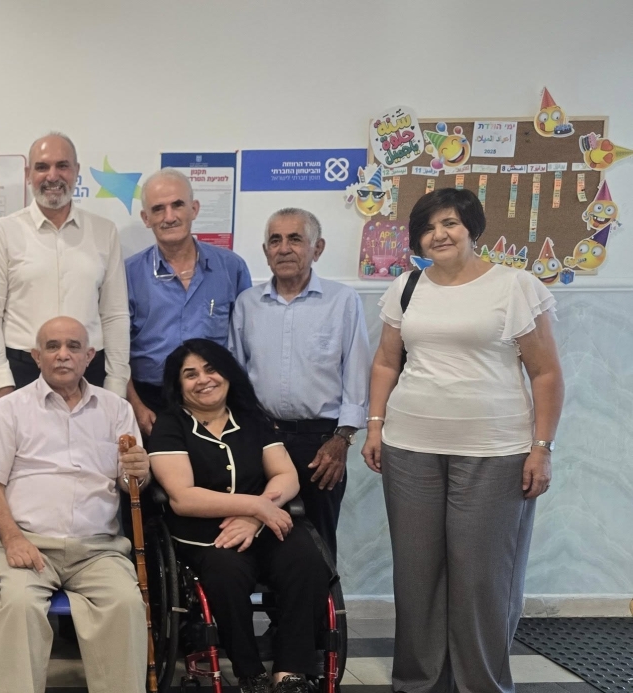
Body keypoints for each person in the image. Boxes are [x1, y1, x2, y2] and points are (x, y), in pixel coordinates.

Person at [362, 189, 563, 693]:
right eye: (428, 228)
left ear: (472, 228)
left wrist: (542, 448)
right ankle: (418, 681)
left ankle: (481, 684)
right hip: (410, 446)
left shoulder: (514, 286)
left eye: (449, 223)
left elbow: (545, 373)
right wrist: (375, 425)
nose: (439, 235)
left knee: (482, 579)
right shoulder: (407, 286)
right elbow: (386, 361)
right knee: (417, 575)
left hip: (495, 451)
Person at [0, 316, 151, 693]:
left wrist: (140, 472)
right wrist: (13, 539)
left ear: (89, 356)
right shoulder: (8, 409)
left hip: (98, 550)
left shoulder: (116, 409)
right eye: (52, 347)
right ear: (37, 356)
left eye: (73, 347)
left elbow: (129, 484)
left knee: (126, 604)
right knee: (17, 605)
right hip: (27, 544)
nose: (62, 354)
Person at [146, 338, 334, 693]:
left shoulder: (251, 418)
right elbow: (182, 497)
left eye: (210, 369)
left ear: (227, 373)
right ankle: (250, 672)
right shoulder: (171, 425)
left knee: (306, 560)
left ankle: (290, 671)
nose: (204, 379)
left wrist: (258, 513)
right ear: (178, 385)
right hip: (205, 534)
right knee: (226, 572)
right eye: (190, 374)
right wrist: (255, 506)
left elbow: (286, 475)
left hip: (266, 523)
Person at [230, 208, 369, 554]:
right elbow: (236, 376)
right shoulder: (247, 304)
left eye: (295, 239)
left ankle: (320, 592)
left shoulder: (342, 301)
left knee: (317, 541)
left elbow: (357, 374)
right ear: (266, 252)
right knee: (261, 535)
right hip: (263, 439)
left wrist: (342, 440)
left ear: (317, 248)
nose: (284, 248)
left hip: (322, 446)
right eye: (275, 240)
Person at [0, 132, 130, 397]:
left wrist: (116, 384)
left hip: (89, 371)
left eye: (62, 165)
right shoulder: (4, 231)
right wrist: (1, 383)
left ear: (76, 171)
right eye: (42, 167)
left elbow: (114, 313)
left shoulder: (104, 231)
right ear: (28, 174)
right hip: (22, 371)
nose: (52, 176)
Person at [125, 168, 251, 433]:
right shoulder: (128, 274)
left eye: (178, 205)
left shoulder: (231, 268)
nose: (169, 217)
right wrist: (135, 406)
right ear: (146, 218)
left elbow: (247, 344)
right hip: (151, 403)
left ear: (194, 209)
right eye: (158, 209)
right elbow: (116, 351)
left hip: (215, 401)